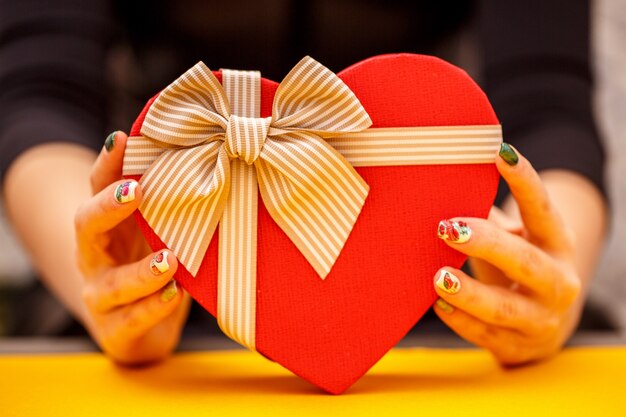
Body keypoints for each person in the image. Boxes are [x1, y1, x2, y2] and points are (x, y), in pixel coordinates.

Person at [0, 0, 607, 365]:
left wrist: (551, 269)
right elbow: (39, 94)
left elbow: (550, 108)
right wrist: (97, 274)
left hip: (440, 295)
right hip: (168, 261)